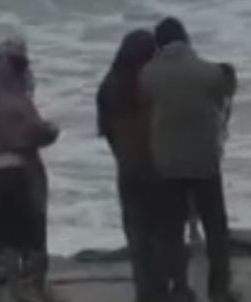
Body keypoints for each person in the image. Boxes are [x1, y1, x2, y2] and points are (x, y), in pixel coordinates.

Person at [141, 18, 240, 302]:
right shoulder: (209, 72)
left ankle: (181, 288)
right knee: (215, 227)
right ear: (186, 38)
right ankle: (219, 289)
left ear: (158, 44)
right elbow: (226, 95)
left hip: (166, 161)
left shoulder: (148, 75)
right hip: (204, 159)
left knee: (172, 229)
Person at [0, 37, 60, 301]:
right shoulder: (11, 83)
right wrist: (47, 132)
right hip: (17, 159)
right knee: (33, 209)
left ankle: (1, 268)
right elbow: (28, 124)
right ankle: (32, 271)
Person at [96, 30, 160, 302]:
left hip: (127, 165)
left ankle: (144, 291)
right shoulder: (150, 83)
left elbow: (107, 131)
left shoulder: (108, 86)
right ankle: (163, 287)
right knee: (162, 231)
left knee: (136, 233)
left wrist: (123, 155)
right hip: (156, 166)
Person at [188, 63, 238, 248]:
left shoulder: (225, 100)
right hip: (200, 150)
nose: (234, 87)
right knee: (195, 192)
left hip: (213, 149)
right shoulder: (208, 100)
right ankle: (194, 229)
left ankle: (200, 229)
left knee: (202, 192)